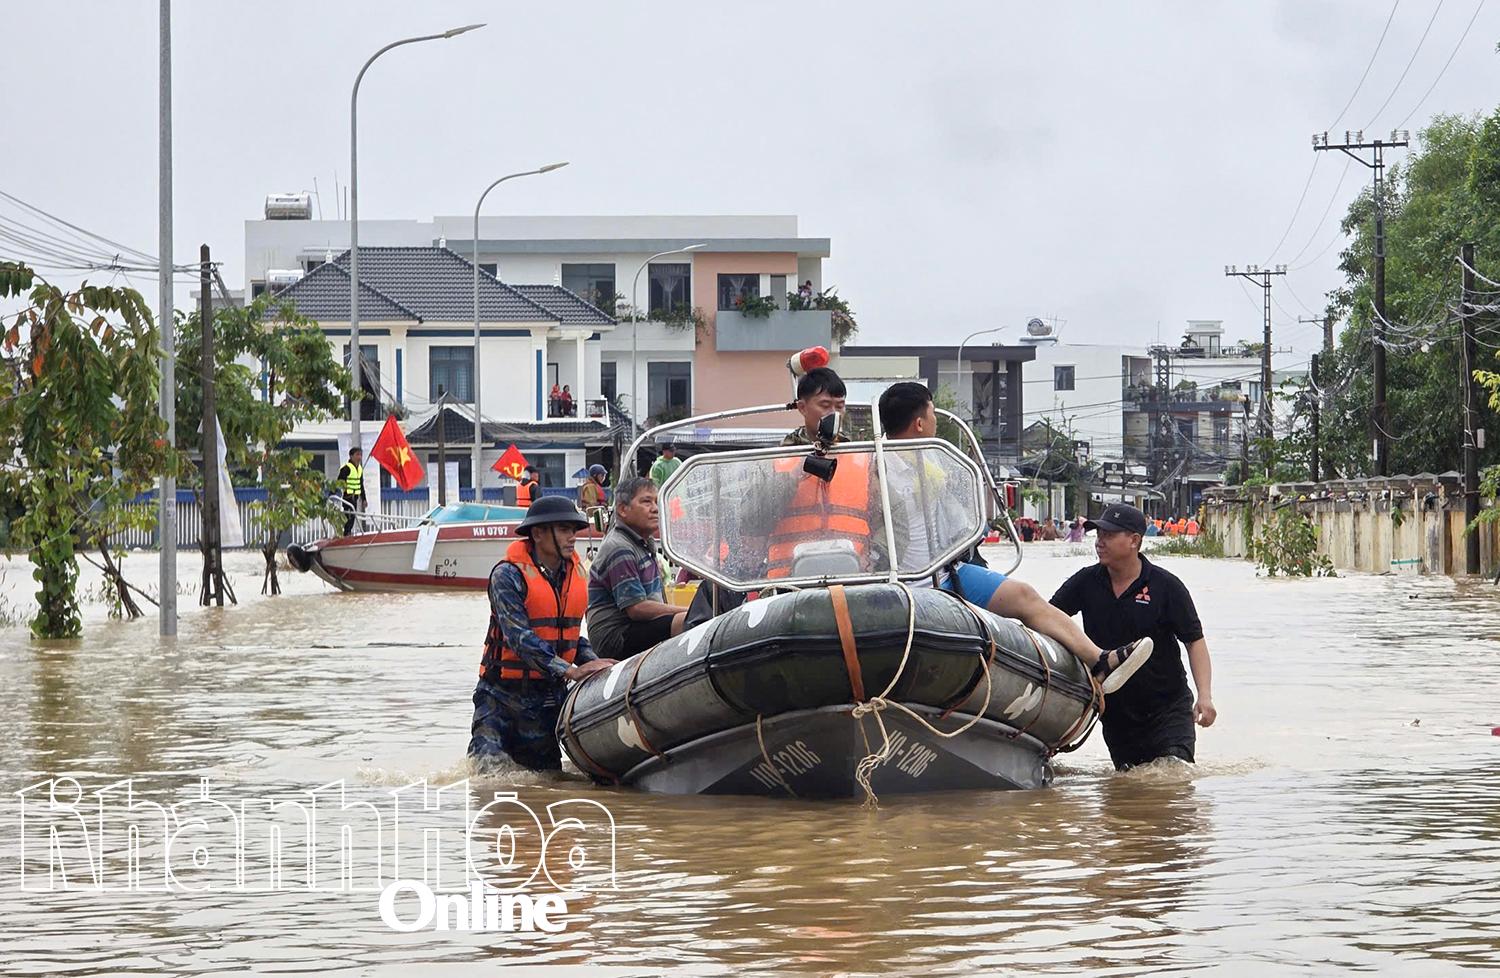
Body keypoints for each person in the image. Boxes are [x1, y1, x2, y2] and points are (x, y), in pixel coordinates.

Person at [877, 381, 1152, 692]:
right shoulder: (876, 468)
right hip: (909, 581)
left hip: (946, 569)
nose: (936, 422)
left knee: (1024, 596)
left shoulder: (932, 462)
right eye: (932, 415)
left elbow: (961, 520)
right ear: (919, 423)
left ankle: (1099, 659)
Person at [1050, 502, 1217, 770]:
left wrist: (1205, 696)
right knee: (1129, 791)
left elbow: (1194, 642)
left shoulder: (1166, 587)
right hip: (1116, 712)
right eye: (1098, 534)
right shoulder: (1085, 583)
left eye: (1109, 535)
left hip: (1168, 708)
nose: (1099, 542)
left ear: (1134, 540)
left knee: (1173, 777)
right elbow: (1049, 618)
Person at [468, 496, 616, 770]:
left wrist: (599, 664)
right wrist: (570, 670)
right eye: (563, 529)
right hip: (500, 700)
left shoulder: (575, 575)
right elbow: (520, 638)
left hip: (546, 701)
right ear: (537, 533)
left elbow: (567, 636)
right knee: (487, 781)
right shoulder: (507, 576)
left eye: (573, 530)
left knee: (545, 783)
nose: (572, 537)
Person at [586, 476, 687, 660]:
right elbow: (636, 609)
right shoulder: (620, 547)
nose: (655, 509)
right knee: (686, 621)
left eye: (656, 502)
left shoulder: (643, 544)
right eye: (646, 502)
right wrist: (685, 611)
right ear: (623, 510)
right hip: (616, 635)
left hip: (636, 627)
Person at [782, 367, 849, 447]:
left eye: (839, 406)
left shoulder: (852, 448)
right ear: (802, 408)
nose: (833, 412)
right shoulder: (787, 451)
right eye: (825, 406)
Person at [335, 447, 366, 536]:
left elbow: (361, 485)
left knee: (352, 516)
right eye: (357, 455)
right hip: (347, 496)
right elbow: (339, 482)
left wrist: (364, 499)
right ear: (351, 456)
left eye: (360, 455)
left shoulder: (359, 469)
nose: (359, 457)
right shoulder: (346, 468)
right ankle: (346, 533)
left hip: (355, 497)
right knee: (348, 516)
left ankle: (348, 532)